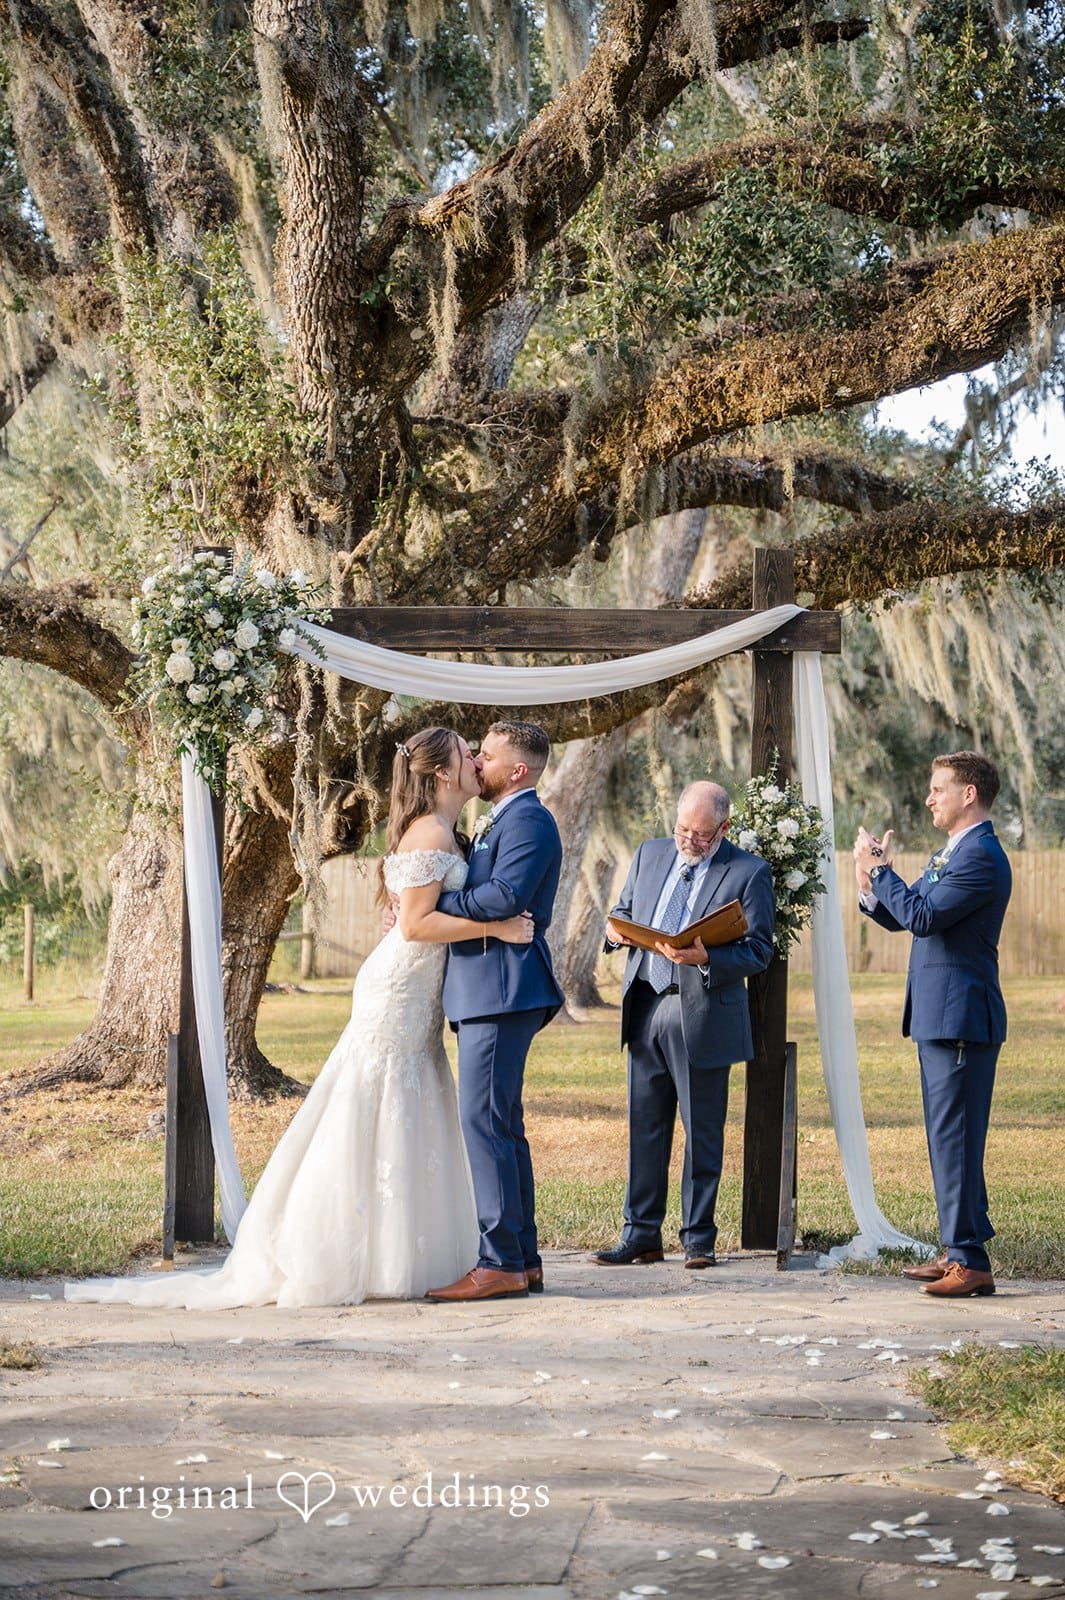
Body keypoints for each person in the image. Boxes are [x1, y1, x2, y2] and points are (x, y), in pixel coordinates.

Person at [65, 727, 535, 1309]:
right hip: (398, 990)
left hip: (417, 992)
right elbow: (415, 927)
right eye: (468, 755)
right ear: (440, 773)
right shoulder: (433, 832)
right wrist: (497, 926)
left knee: (406, 1106)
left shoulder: (447, 831)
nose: (475, 762)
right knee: (369, 1102)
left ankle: (402, 1251)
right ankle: (330, 1249)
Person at [591, 781, 775, 1270]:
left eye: (701, 834)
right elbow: (626, 913)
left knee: (702, 1130)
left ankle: (698, 1239)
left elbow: (759, 950)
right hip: (645, 1004)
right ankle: (641, 1236)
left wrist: (707, 956)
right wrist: (614, 931)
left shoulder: (749, 872)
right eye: (683, 830)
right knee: (645, 1127)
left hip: (702, 1011)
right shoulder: (650, 854)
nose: (689, 841)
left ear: (724, 828)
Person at [854, 750, 1012, 1299]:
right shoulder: (955, 852)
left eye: (938, 788)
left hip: (962, 1017)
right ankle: (956, 1249)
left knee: (957, 1137)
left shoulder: (981, 856)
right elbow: (910, 911)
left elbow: (922, 915)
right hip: (939, 1016)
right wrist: (870, 887)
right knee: (948, 1138)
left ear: (968, 794)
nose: (929, 798)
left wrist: (880, 869)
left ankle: (970, 1261)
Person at [425, 721, 564, 1303]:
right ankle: (523, 1259)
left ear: (518, 770)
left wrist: (434, 902)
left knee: (485, 1124)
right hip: (489, 988)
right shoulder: (499, 818)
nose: (477, 763)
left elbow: (504, 897)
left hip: (503, 990)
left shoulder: (530, 820)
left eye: (486, 756)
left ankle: (500, 1261)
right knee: (502, 1126)